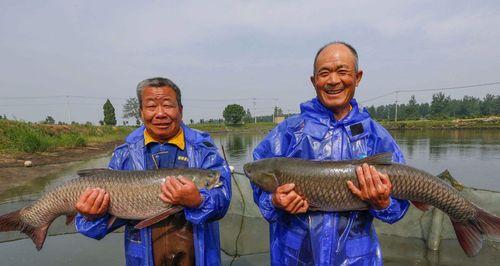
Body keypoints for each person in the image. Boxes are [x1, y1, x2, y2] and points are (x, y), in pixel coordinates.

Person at [251, 42, 410, 265]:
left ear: (357, 77)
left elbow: (398, 210)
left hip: (356, 258)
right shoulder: (288, 131)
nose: (333, 80)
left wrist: (383, 203)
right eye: (324, 73)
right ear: (314, 80)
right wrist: (275, 201)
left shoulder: (376, 136)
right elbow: (257, 183)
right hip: (296, 256)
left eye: (342, 72)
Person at [74, 77, 231, 266]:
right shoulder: (125, 155)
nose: (160, 114)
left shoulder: (204, 149)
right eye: (151, 106)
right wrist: (92, 215)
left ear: (180, 109)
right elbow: (96, 228)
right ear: (141, 112)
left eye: (167, 105)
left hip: (197, 254)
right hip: (144, 257)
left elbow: (222, 197)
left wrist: (198, 201)